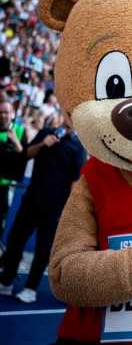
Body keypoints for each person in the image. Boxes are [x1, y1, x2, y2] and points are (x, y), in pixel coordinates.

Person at [0, 112, 85, 303]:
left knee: (42, 250)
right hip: (31, 200)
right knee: (15, 241)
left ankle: (30, 288)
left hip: (54, 209)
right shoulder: (46, 132)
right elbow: (26, 155)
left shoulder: (78, 148)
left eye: (74, 114)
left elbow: (74, 183)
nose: (70, 117)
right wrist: (42, 144)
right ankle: (6, 281)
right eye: (68, 113)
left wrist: (68, 212)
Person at [0, 99, 27, 246]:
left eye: (6, 112)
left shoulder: (19, 130)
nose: (4, 115)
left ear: (12, 114)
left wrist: (15, 141)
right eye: (1, 112)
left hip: (5, 185)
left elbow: (24, 156)